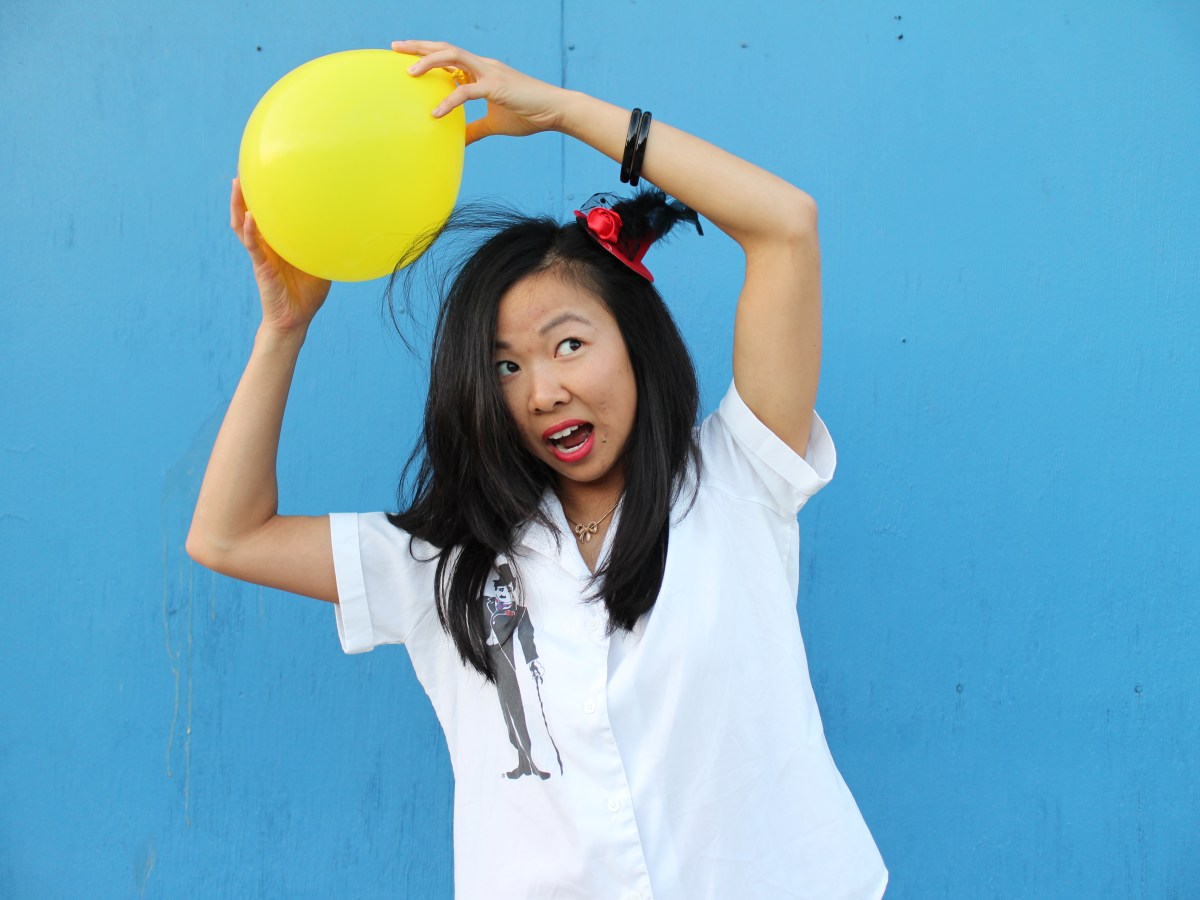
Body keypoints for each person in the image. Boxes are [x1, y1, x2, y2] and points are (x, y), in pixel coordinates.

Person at [188, 38, 887, 900]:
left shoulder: (739, 480)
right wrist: (282, 330)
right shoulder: (445, 564)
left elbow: (785, 224)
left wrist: (562, 111)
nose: (543, 391)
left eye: (569, 345)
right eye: (506, 367)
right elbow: (227, 536)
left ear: (634, 345)